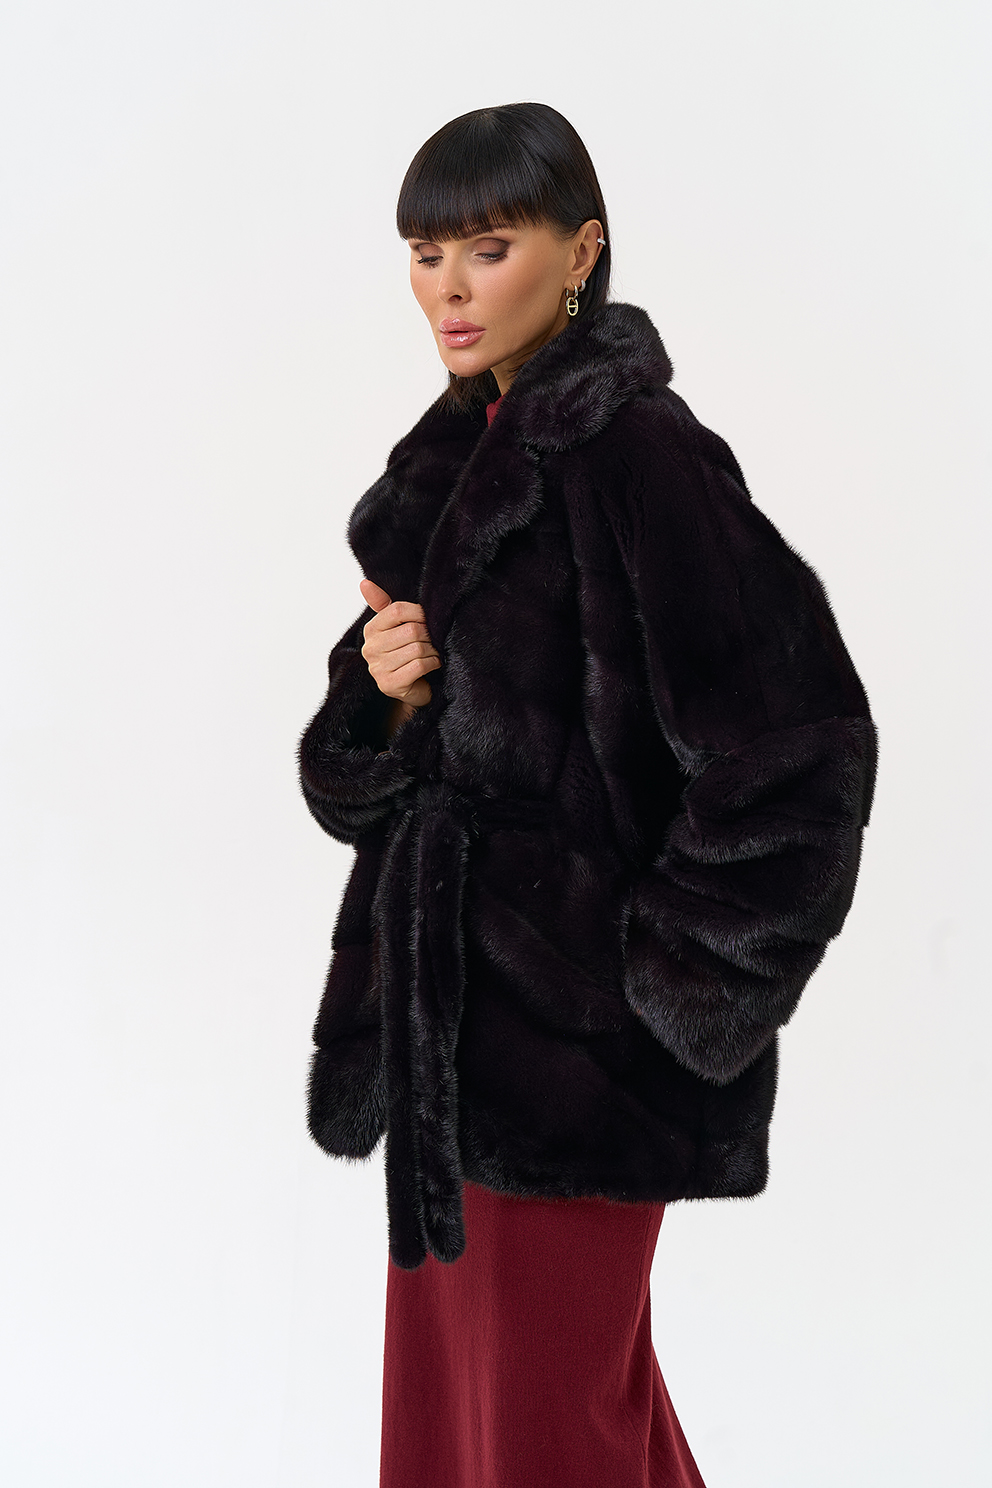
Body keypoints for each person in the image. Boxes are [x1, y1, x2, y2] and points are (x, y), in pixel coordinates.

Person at [297, 102, 878, 1488]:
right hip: (451, 1043)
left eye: (488, 247)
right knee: (484, 1423)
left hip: (579, 1060)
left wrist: (659, 991)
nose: (448, 287)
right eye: (426, 253)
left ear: (582, 252)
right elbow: (356, 772)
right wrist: (390, 694)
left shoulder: (640, 457)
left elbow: (801, 749)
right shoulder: (450, 466)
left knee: (547, 1429)